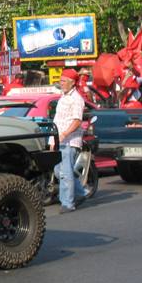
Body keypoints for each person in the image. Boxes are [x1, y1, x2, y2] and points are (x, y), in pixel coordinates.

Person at [53, 69, 88, 213]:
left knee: (65, 173)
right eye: (60, 81)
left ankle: (67, 203)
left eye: (64, 81)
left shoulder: (77, 99)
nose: (61, 83)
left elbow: (77, 120)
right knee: (58, 170)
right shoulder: (63, 97)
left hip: (69, 141)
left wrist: (65, 133)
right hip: (60, 139)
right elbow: (58, 119)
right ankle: (81, 193)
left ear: (72, 83)